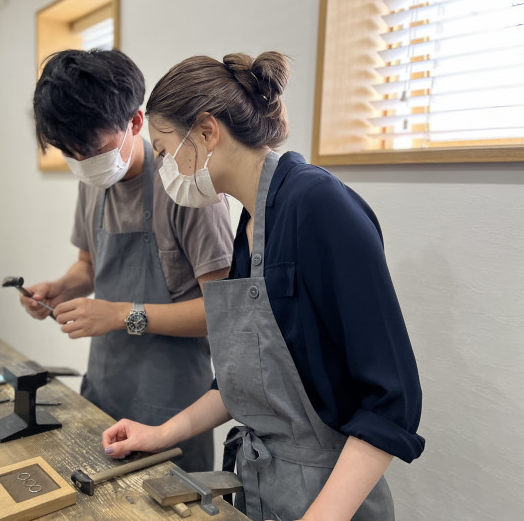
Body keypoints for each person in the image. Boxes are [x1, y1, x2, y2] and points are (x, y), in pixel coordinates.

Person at [102, 52, 425, 521]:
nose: (164, 166)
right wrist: (160, 433)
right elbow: (242, 382)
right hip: (261, 490)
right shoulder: (252, 222)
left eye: (165, 150)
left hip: (328, 496)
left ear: (208, 131)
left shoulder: (317, 205)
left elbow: (392, 400)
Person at [26, 49, 234, 472]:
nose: (82, 163)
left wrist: (121, 314)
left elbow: (224, 314)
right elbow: (89, 265)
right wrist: (60, 289)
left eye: (92, 148)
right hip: (105, 390)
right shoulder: (94, 180)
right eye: (70, 152)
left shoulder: (186, 187)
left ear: (135, 122)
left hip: (172, 409)